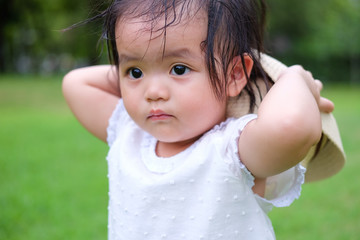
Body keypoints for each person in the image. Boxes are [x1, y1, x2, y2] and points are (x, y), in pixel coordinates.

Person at [62, 0, 335, 239]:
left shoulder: (233, 149)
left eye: (178, 68)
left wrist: (293, 77)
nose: (153, 92)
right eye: (135, 73)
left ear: (235, 75)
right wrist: (141, 59)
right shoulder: (129, 132)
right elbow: (75, 83)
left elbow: (291, 128)